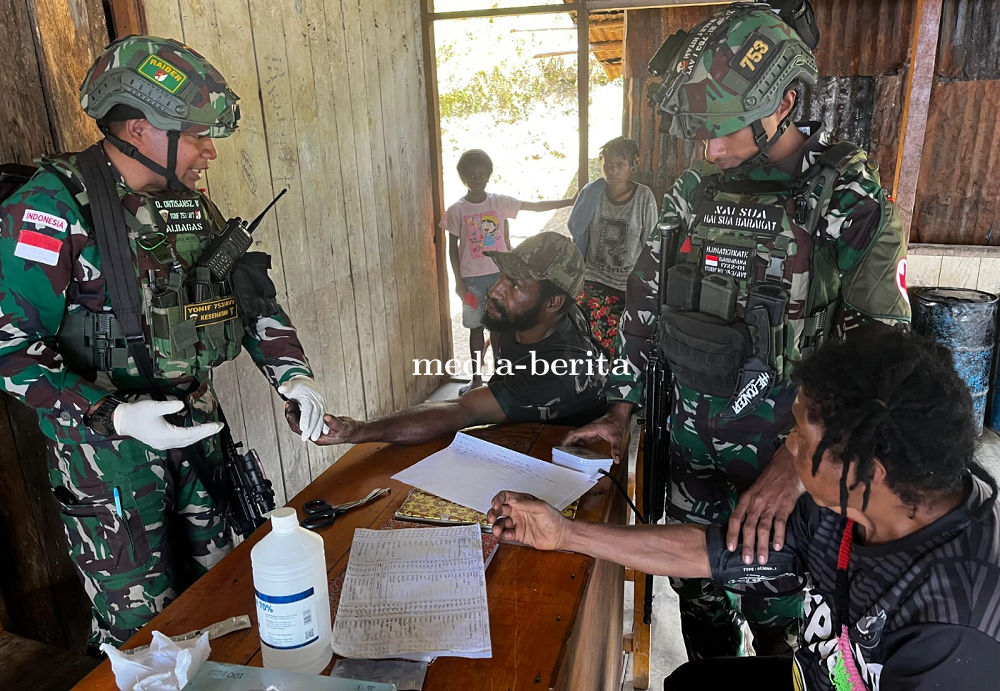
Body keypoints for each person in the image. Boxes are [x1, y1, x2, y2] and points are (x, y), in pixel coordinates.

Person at [563, 0, 911, 660]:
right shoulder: (696, 189)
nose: (711, 147)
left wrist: (797, 463)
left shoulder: (846, 198)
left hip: (785, 463)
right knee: (698, 602)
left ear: (783, 105)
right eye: (703, 131)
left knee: (780, 617)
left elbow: (884, 358)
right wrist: (620, 409)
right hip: (689, 447)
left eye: (724, 130)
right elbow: (644, 300)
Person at [0, 36, 328, 648]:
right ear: (139, 128)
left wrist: (293, 375)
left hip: (199, 432)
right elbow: (9, 349)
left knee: (224, 596)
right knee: (142, 629)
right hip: (109, 458)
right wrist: (115, 414)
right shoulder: (50, 209)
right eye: (197, 134)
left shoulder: (188, 207)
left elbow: (245, 297)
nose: (210, 151)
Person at [491, 330, 1000, 689]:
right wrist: (565, 534)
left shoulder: (957, 623)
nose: (786, 447)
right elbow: (714, 553)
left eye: (800, 437)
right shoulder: (842, 508)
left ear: (866, 472)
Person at [312, 232, 606, 447]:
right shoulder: (527, 316)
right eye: (502, 276)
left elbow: (462, 409)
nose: (494, 291)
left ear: (553, 303)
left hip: (566, 461)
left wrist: (360, 431)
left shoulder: (559, 373)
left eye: (515, 285)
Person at [440, 149, 575, 394]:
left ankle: (500, 377)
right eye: (472, 175)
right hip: (471, 283)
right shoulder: (457, 210)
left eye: (482, 174)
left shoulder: (498, 202)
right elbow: (451, 249)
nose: (477, 179)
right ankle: (476, 379)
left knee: (501, 328)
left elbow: (534, 206)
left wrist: (569, 201)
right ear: (463, 177)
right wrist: (458, 283)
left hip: (500, 278)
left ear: (489, 175)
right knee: (475, 328)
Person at [567, 136, 658, 350]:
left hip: (628, 282)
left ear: (632, 166)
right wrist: (588, 193)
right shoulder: (593, 193)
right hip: (594, 276)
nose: (612, 170)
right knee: (580, 327)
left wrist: (647, 287)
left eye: (620, 165)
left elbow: (652, 244)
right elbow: (575, 228)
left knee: (623, 337)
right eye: (608, 164)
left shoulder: (643, 197)